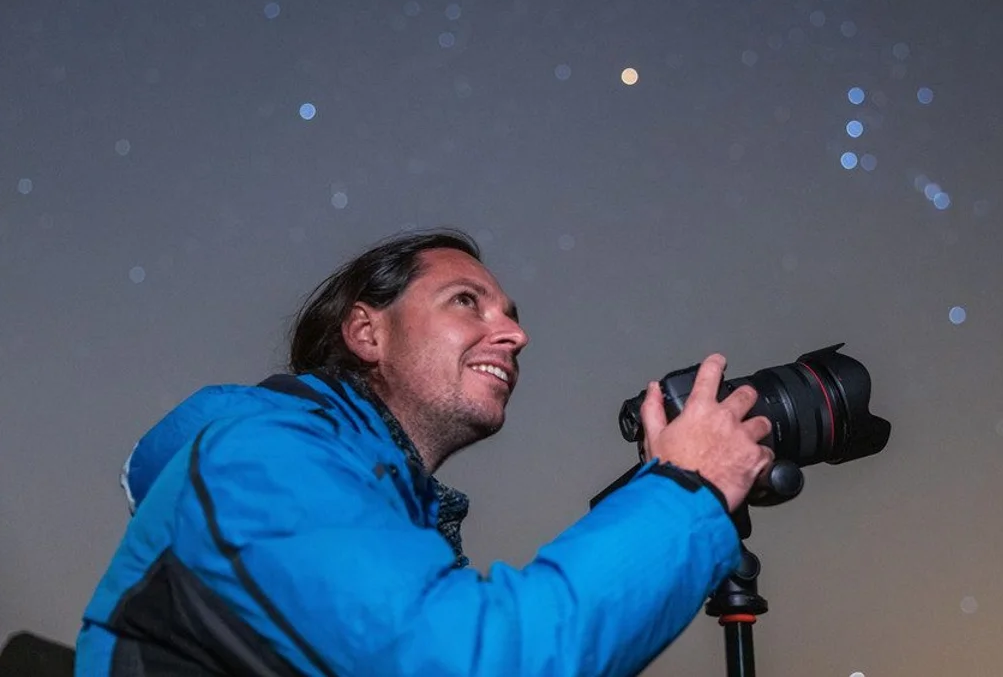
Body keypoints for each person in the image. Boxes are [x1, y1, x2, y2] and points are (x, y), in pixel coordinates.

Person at [76, 228, 774, 676]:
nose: (515, 335)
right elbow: (480, 660)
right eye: (467, 301)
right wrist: (687, 490)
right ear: (366, 332)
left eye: (514, 317)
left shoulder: (390, 516)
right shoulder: (258, 460)